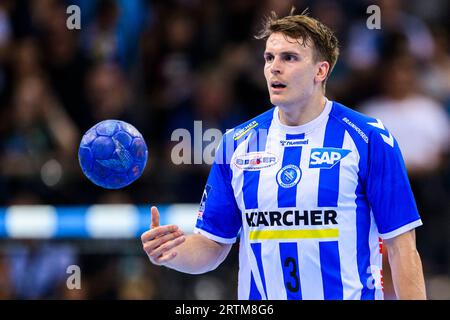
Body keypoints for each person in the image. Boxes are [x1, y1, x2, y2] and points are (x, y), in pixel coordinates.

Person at [141, 10, 426, 300]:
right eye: (269, 58)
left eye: (289, 57)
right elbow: (213, 246)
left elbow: (402, 247)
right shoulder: (235, 144)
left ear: (321, 71)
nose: (274, 68)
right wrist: (171, 252)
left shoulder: (369, 138)